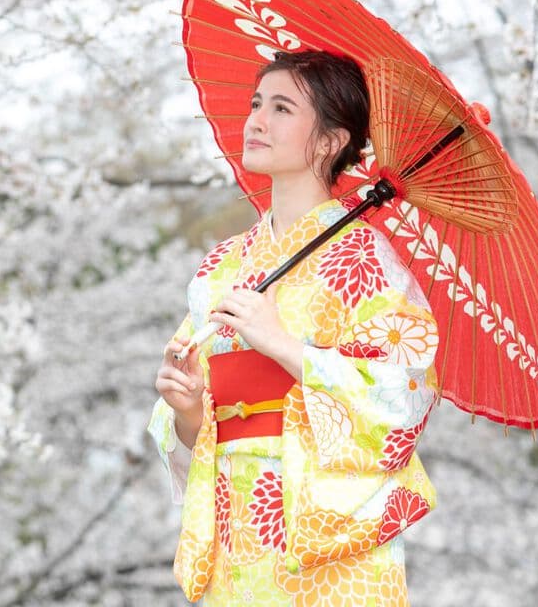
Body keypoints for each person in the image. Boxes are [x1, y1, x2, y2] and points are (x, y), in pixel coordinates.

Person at [147, 48, 439, 605]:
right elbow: (195, 426)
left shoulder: (369, 261)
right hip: (235, 522)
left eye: (282, 108)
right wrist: (186, 408)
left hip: (326, 540)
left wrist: (281, 344)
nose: (256, 120)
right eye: (257, 103)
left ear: (331, 141)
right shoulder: (222, 265)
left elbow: (402, 397)